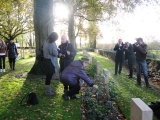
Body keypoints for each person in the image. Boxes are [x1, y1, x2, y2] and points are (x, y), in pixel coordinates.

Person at [42, 32, 59, 96]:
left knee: (48, 77)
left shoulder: (46, 42)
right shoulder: (52, 44)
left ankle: (48, 90)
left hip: (45, 61)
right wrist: (57, 51)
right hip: (50, 62)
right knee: (49, 77)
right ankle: (48, 92)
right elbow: (55, 53)